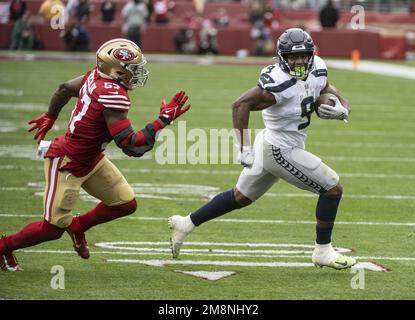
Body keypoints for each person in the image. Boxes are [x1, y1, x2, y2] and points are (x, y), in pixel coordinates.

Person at [169, 28, 356, 270]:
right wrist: (243, 147)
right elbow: (240, 105)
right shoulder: (278, 82)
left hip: (279, 143)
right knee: (332, 188)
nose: (299, 61)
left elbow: (328, 88)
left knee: (240, 197)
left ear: (311, 54)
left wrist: (344, 108)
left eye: (304, 56)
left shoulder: (317, 67)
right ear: (281, 57)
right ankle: (322, 250)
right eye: (292, 57)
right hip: (278, 149)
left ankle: (185, 224)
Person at [0, 38, 191, 271]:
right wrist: (162, 120)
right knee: (52, 229)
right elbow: (132, 146)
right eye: (133, 69)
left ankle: (79, 226)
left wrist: (50, 115)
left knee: (125, 204)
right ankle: (4, 246)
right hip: (68, 162)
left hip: (92, 158)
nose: (137, 73)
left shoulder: (97, 74)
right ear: (117, 70)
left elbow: (64, 88)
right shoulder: (113, 96)